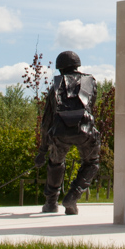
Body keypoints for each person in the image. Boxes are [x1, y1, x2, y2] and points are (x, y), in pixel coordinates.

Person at [34, 50, 101, 215]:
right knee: (92, 162)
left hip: (60, 130)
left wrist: (42, 150)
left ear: (60, 69)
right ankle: (73, 195)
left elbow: (46, 122)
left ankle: (51, 202)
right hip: (85, 129)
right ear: (77, 66)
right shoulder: (90, 82)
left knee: (55, 163)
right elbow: (90, 107)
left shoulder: (56, 87)